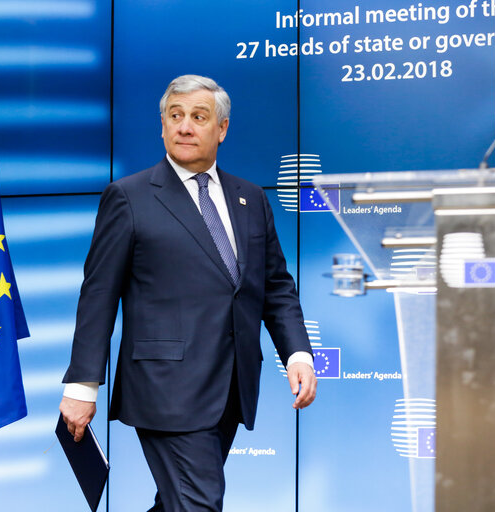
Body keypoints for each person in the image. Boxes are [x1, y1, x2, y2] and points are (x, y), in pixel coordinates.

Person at [60, 74, 317, 511]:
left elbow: (274, 285)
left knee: (178, 503)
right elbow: (98, 295)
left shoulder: (251, 198)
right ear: (162, 126)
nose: (184, 126)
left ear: (222, 128)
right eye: (175, 116)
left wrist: (298, 354)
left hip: (231, 387)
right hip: (165, 389)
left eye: (199, 117)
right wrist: (83, 384)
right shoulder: (129, 197)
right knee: (198, 503)